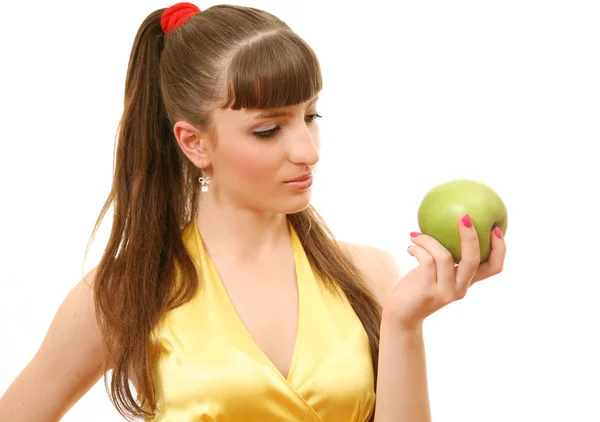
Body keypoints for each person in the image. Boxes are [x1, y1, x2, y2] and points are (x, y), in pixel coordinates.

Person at [0, 3, 506, 421]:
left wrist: (403, 324)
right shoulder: (125, 291)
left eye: (311, 116)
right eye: (269, 130)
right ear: (194, 142)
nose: (308, 151)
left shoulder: (368, 273)